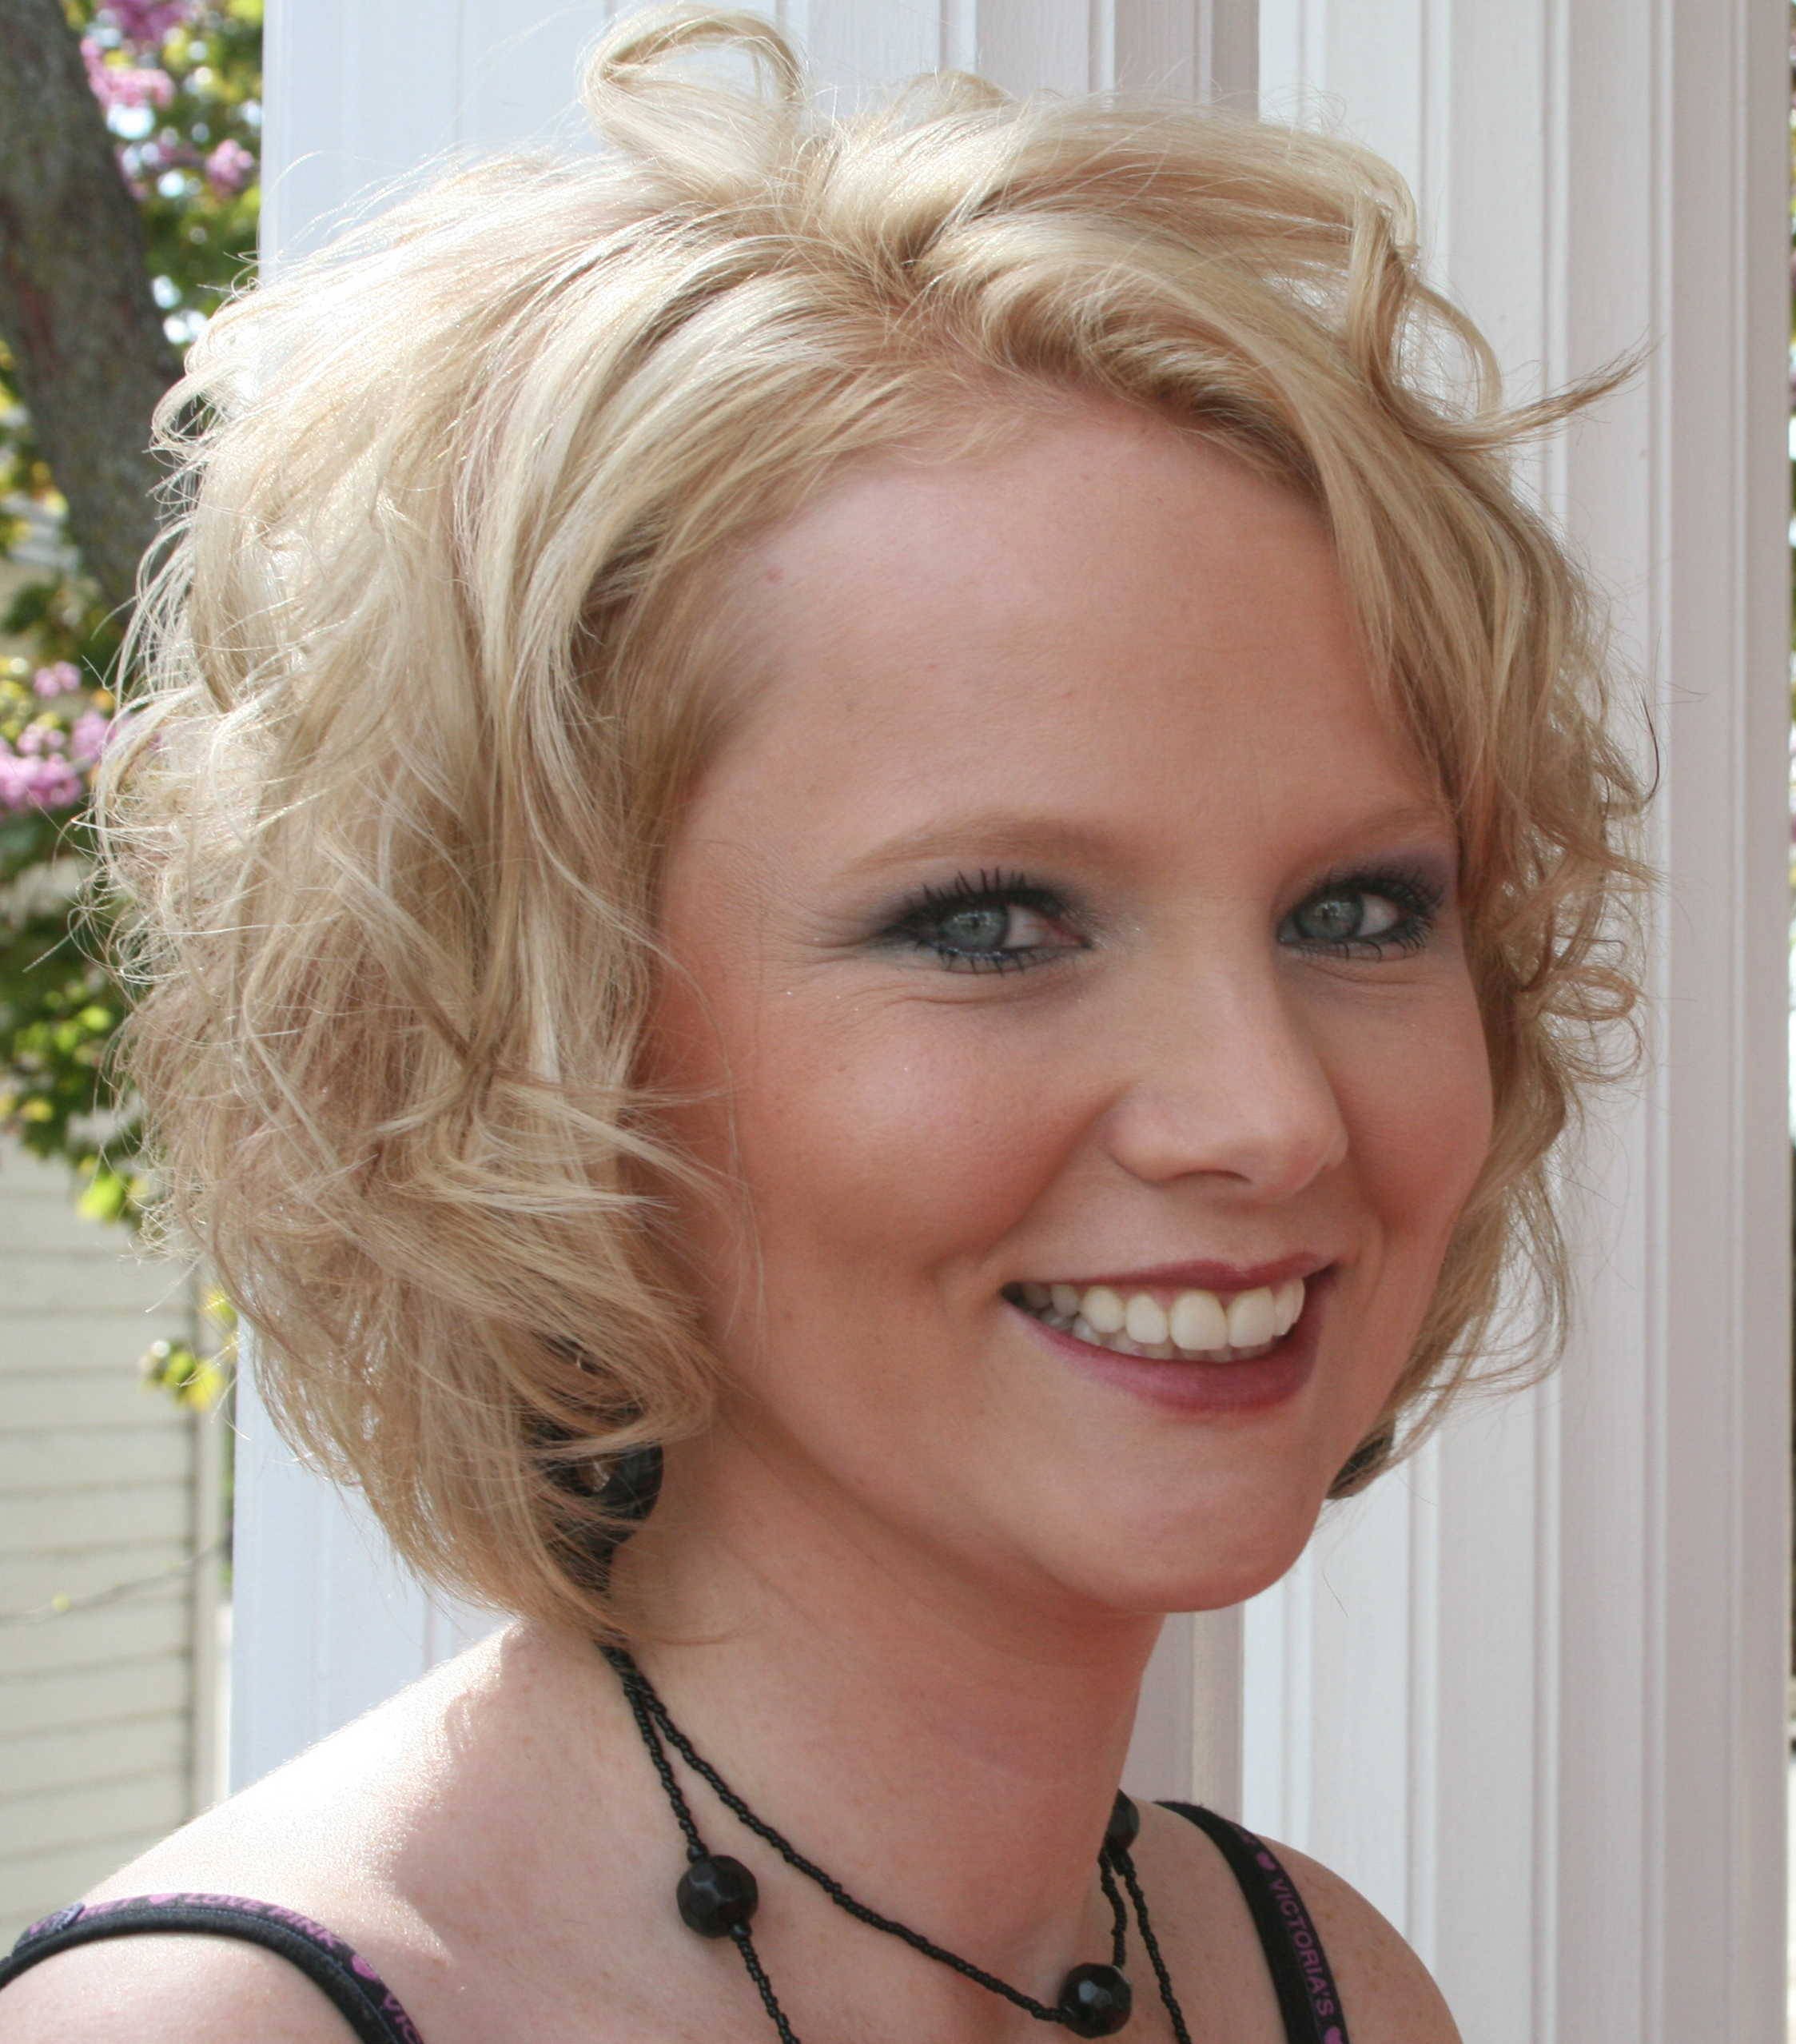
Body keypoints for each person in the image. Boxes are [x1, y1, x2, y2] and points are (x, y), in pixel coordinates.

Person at [0, 6, 1651, 2040]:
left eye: (1356, 910)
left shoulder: (1318, 1984)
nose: (1267, 1113)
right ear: (536, 1029)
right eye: (990, 925)